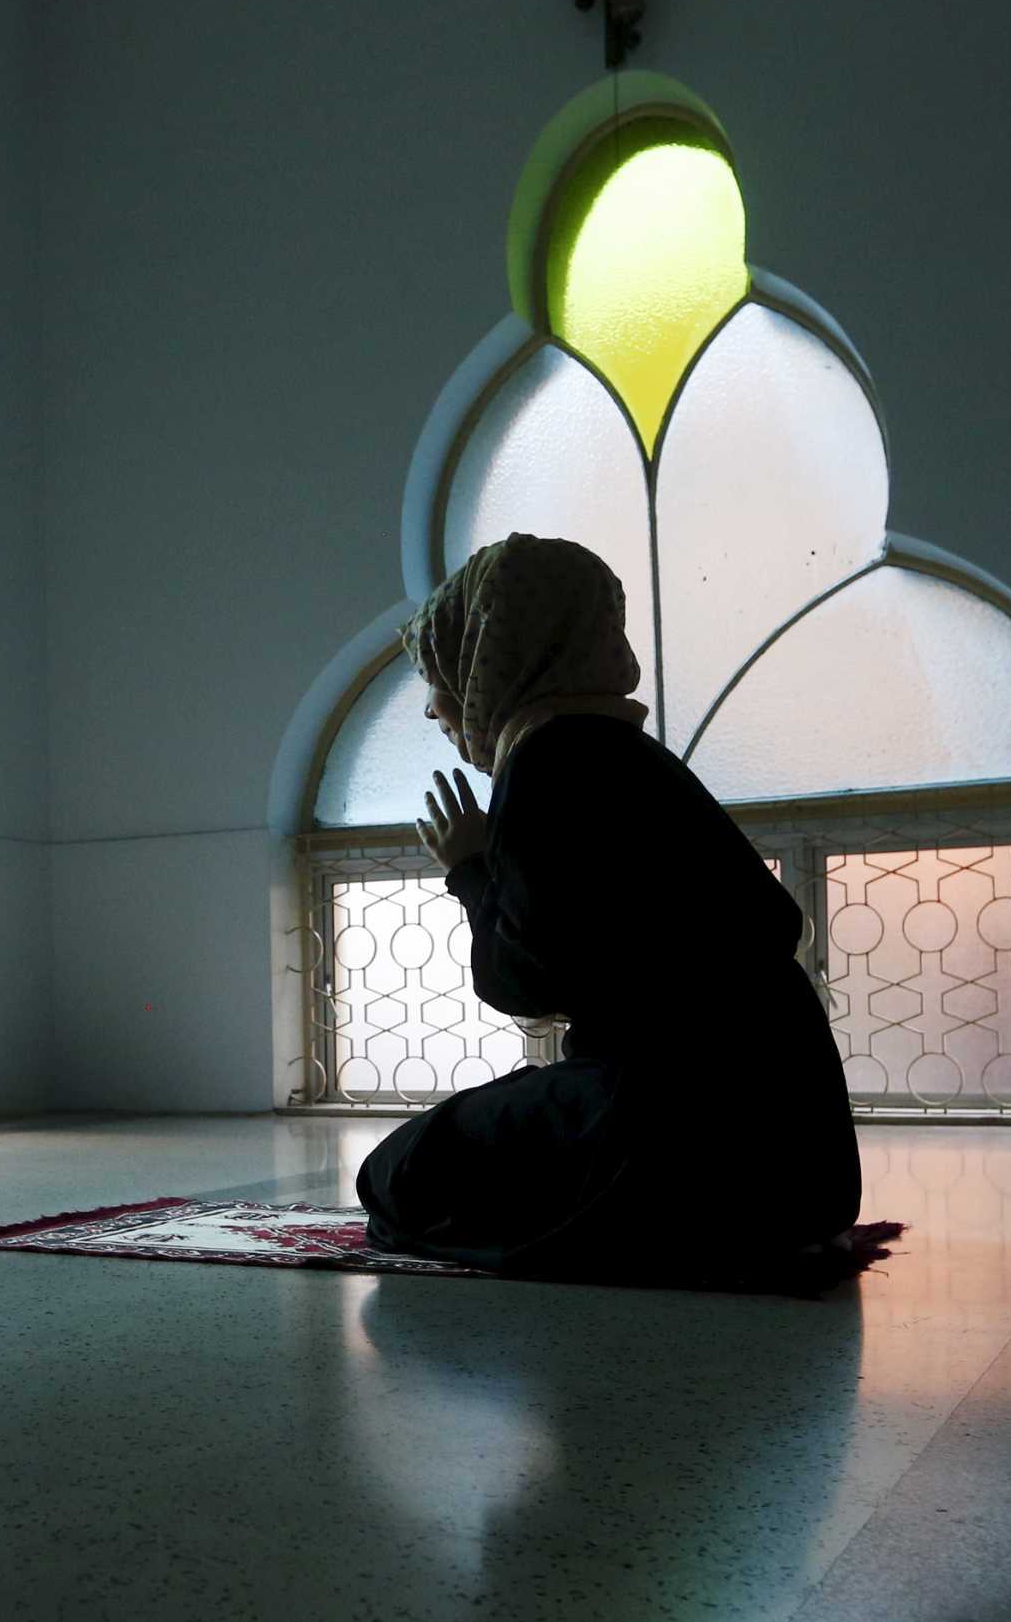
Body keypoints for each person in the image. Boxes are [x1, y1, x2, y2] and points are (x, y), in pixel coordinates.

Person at [356, 532, 878, 1290]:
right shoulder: (631, 756)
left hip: (686, 1149)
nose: (435, 704)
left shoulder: (546, 763)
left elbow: (525, 982)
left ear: (490, 653)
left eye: (442, 669)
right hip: (803, 1167)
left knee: (396, 1179)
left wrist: (470, 870)